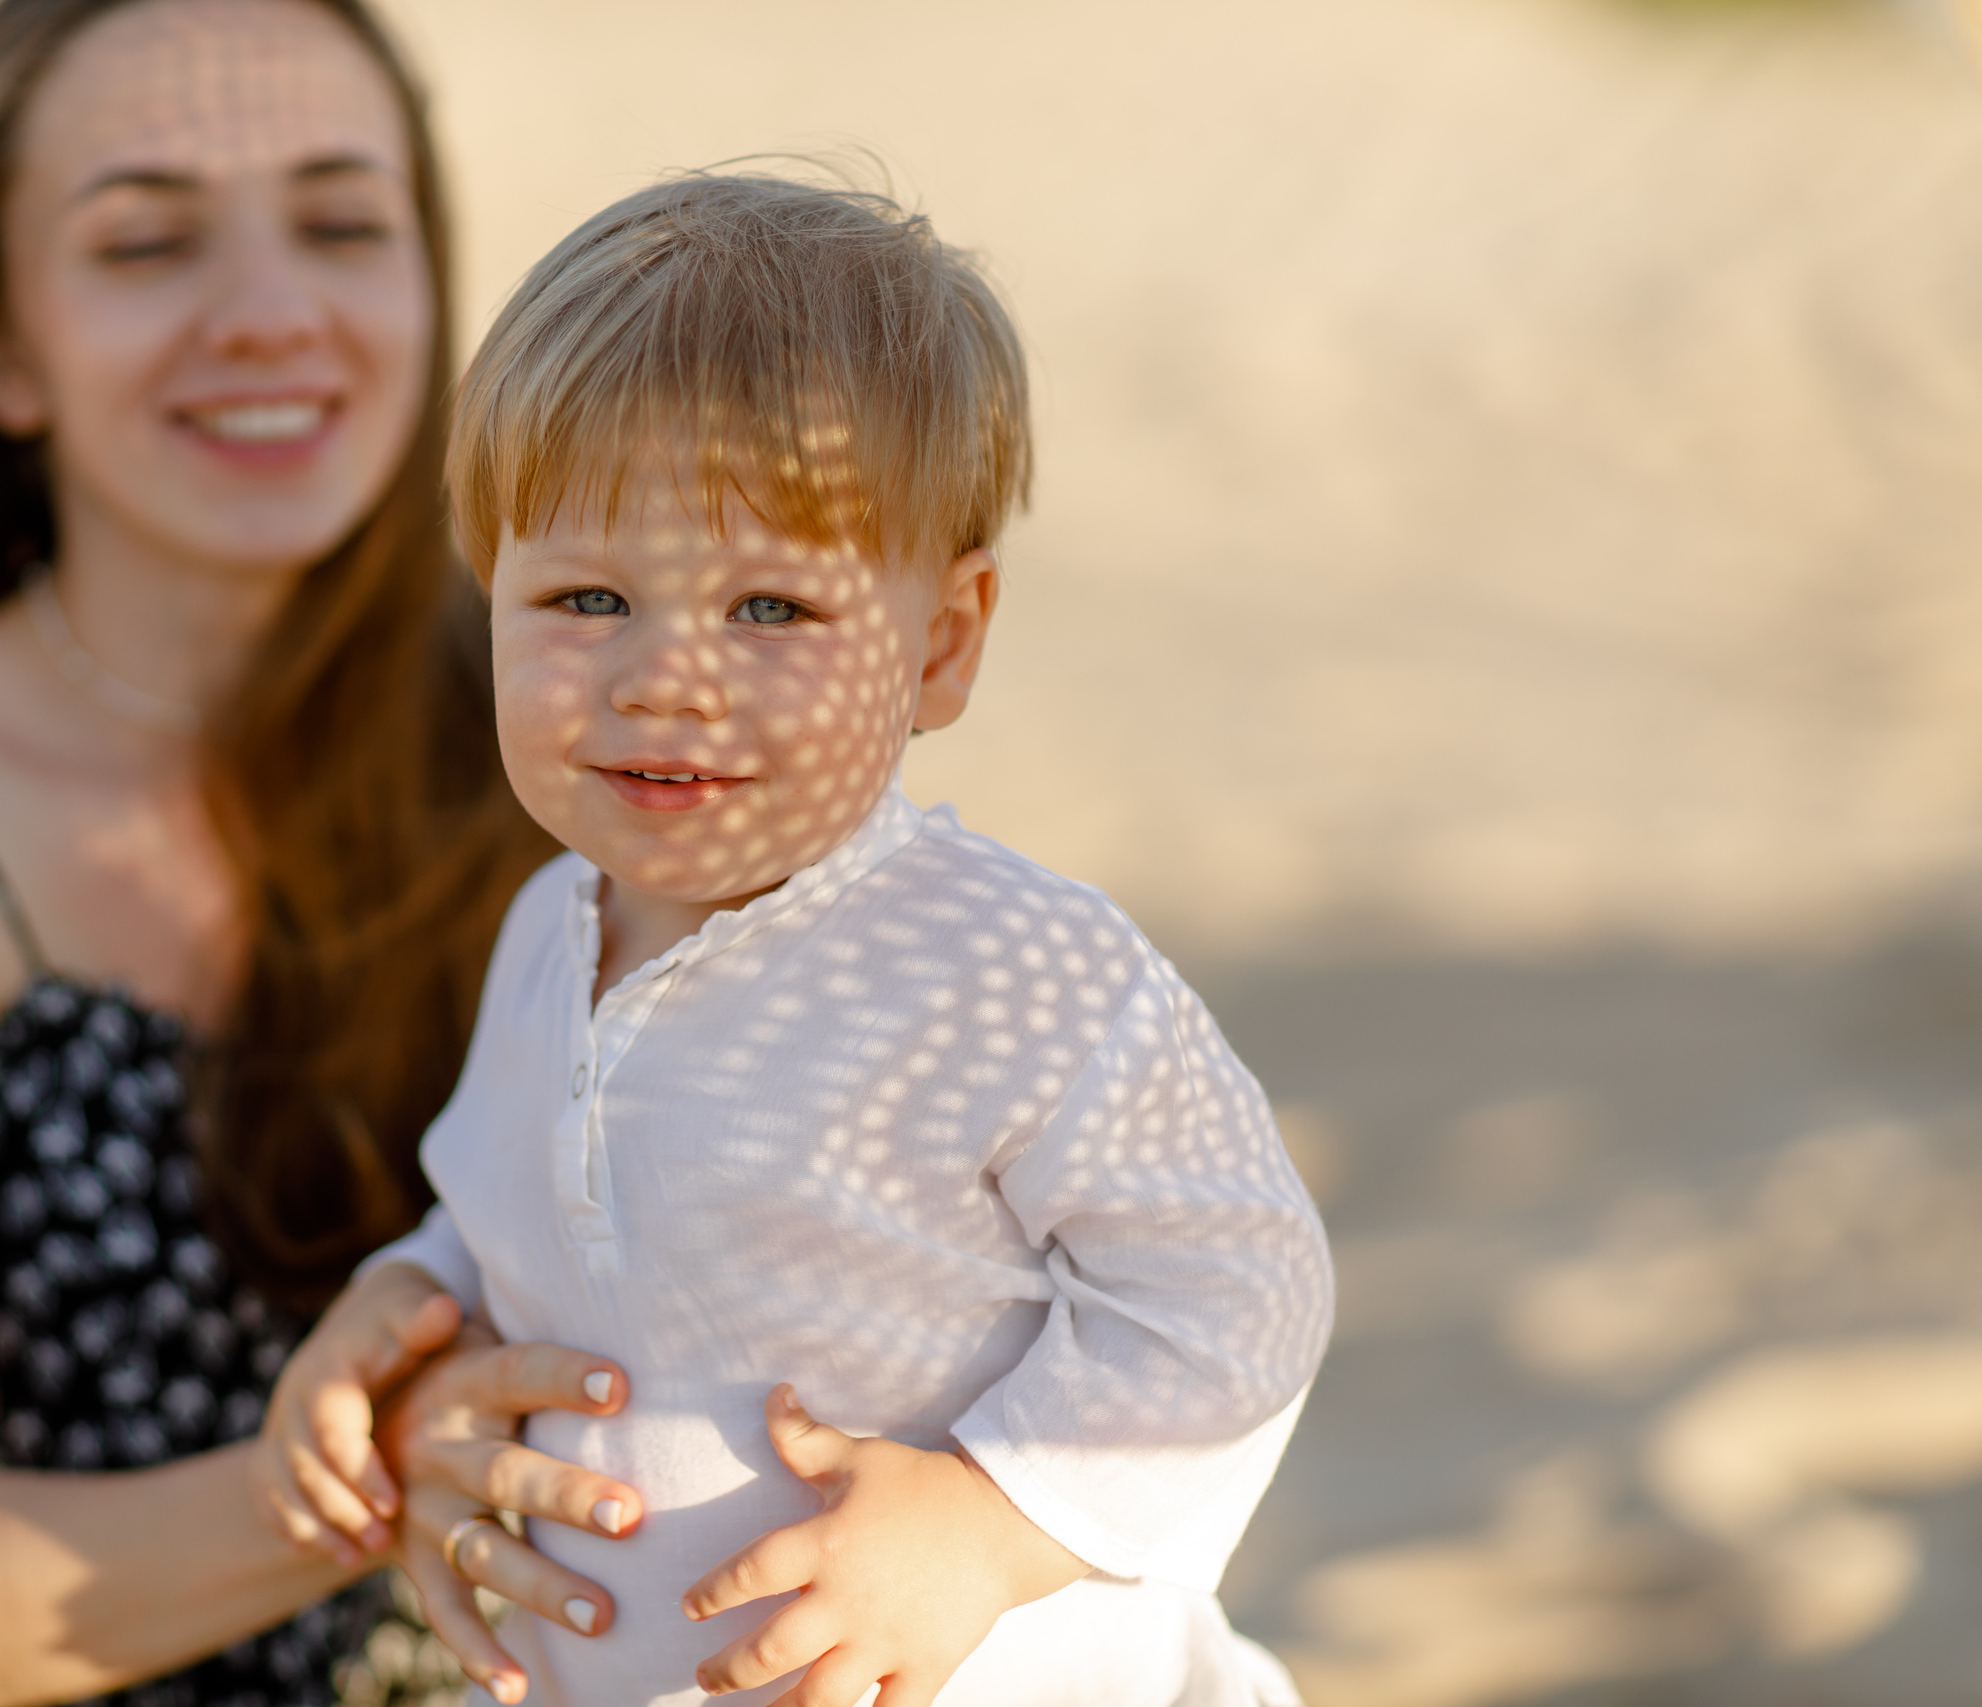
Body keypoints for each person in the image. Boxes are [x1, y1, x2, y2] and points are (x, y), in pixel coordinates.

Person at [251, 173, 1337, 1707]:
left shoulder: (1007, 969)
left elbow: (1242, 1286)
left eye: (768, 609)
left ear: (942, 642)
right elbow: (526, 1219)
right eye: (586, 596)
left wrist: (988, 1524)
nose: (664, 678)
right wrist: (396, 1312)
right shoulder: (545, 938)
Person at [0, 2, 640, 1703]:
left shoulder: (591, 715)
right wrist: (381, 1471)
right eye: (145, 241)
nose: (273, 313)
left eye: (345, 224)